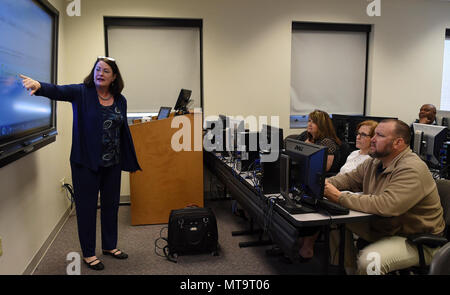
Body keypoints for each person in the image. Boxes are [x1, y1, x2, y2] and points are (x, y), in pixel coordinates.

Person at [20, 56, 141, 271]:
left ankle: (110, 246)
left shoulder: (120, 99)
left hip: (112, 162)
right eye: (97, 69)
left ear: (114, 77)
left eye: (105, 71)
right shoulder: (81, 93)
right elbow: (58, 90)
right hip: (85, 163)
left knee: (111, 206)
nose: (100, 73)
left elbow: (121, 129)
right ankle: (88, 253)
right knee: (86, 209)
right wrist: (39, 86)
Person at [324, 119, 445, 274]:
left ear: (398, 143)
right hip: (386, 227)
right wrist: (323, 184)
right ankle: (350, 270)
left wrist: (339, 197)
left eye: (379, 135)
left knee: (370, 262)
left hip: (416, 240)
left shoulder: (412, 169)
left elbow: (386, 205)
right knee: (333, 220)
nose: (373, 139)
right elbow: (348, 179)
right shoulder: (375, 162)